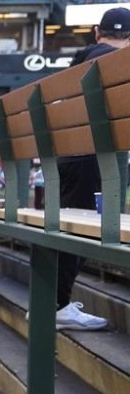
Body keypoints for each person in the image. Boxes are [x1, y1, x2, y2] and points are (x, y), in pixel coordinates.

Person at [53, 7, 129, 331]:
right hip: (94, 162)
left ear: (98, 32)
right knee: (85, 229)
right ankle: (56, 305)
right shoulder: (117, 62)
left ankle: (54, 303)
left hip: (71, 157)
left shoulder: (82, 58)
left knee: (73, 228)